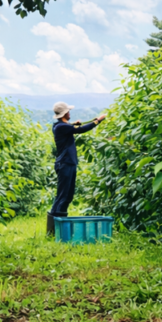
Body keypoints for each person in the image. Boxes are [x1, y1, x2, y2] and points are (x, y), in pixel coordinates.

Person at [47, 101, 106, 236]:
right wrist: (98, 120)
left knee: (67, 195)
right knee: (63, 195)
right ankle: (53, 230)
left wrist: (73, 124)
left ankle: (58, 228)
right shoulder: (62, 127)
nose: (70, 113)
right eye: (68, 111)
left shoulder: (61, 126)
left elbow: (71, 127)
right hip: (65, 163)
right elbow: (81, 130)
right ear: (64, 113)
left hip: (68, 163)